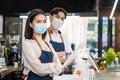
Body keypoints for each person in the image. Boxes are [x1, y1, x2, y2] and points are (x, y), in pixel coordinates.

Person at [22, 9, 62, 80]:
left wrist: (48, 69)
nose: (42, 24)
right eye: (38, 22)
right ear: (30, 24)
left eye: (44, 21)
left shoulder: (48, 44)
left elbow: (59, 67)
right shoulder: (28, 44)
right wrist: (52, 65)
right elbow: (39, 69)